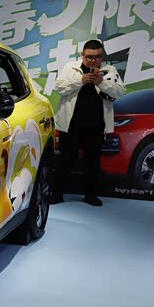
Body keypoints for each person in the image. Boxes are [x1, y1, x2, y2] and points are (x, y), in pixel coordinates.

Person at [52, 39, 125, 206]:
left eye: (97, 56)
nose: (93, 60)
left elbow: (120, 92)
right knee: (65, 160)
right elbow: (60, 88)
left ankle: (91, 195)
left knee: (92, 161)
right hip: (70, 124)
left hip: (96, 125)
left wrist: (101, 83)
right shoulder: (70, 67)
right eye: (90, 57)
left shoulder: (110, 70)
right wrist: (81, 80)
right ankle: (57, 193)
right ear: (82, 55)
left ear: (102, 56)